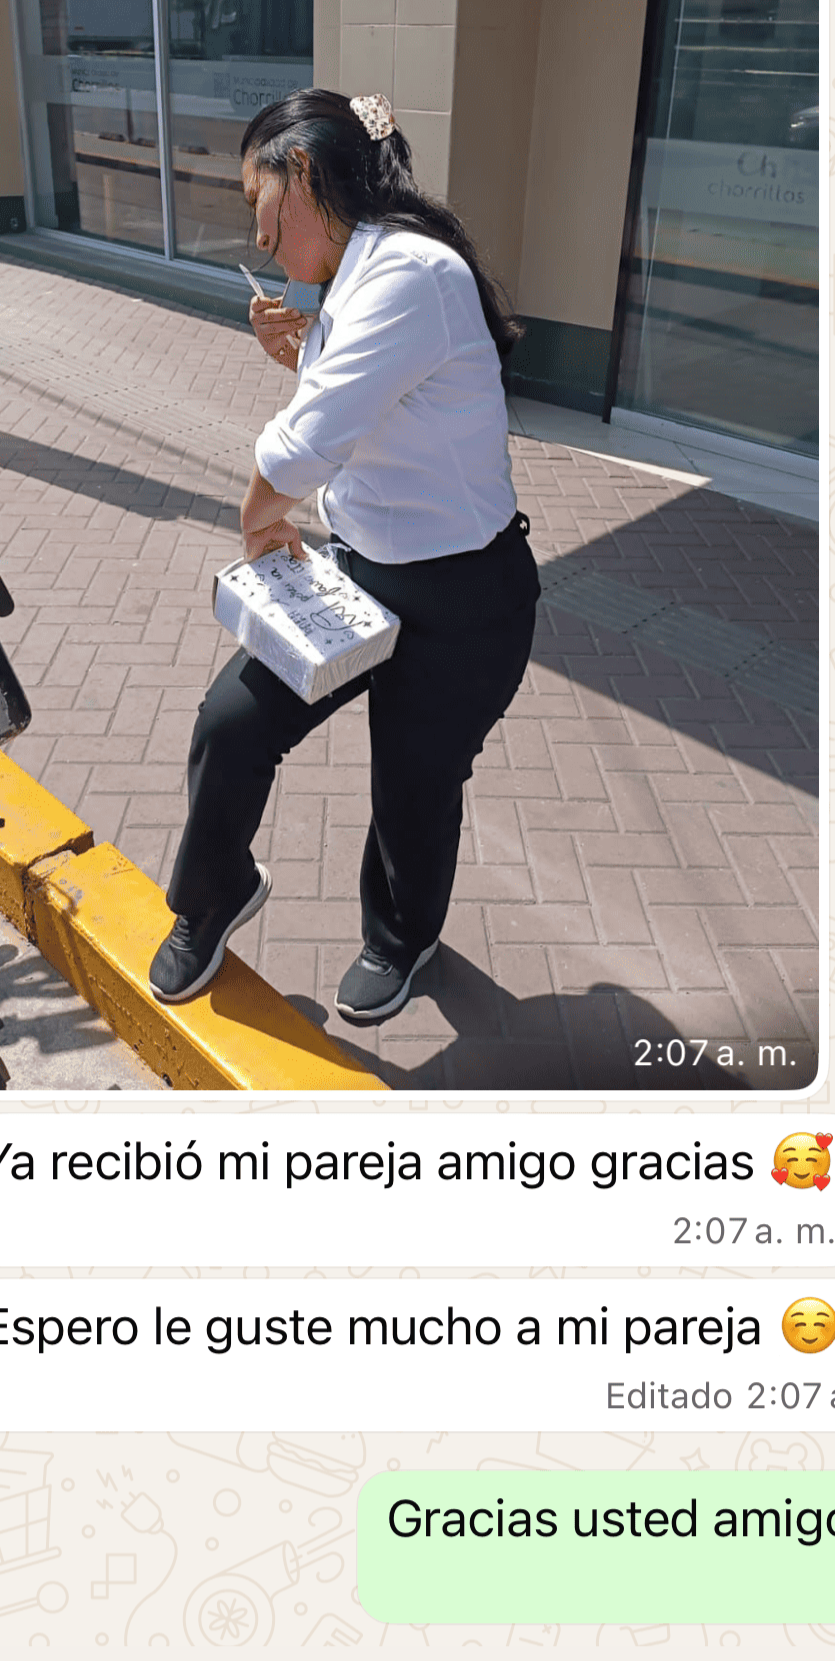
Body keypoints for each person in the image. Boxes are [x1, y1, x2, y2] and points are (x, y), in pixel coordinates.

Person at [148, 89, 540, 1024]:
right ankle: (215, 889)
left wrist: (257, 520)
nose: (258, 234)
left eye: (259, 202)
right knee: (233, 723)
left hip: (463, 597)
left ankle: (402, 938)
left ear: (304, 175)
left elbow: (301, 447)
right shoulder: (356, 275)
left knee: (414, 782)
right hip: (361, 570)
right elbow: (373, 405)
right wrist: (300, 355)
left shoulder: (411, 272)